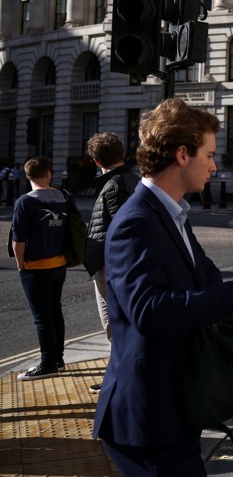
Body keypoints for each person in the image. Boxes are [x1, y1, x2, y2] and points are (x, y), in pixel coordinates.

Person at [92, 98, 233, 475]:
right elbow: (149, 311)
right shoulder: (137, 221)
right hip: (146, 417)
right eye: (209, 154)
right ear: (182, 154)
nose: (214, 164)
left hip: (175, 403)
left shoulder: (172, 213)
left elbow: (206, 279)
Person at [10, 157, 81, 381]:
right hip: (59, 263)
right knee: (54, 310)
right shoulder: (64, 196)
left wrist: (20, 264)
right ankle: (57, 359)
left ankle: (47, 363)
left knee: (42, 317)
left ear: (26, 176)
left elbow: (18, 239)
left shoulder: (25, 202)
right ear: (48, 174)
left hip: (35, 266)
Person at [84, 132, 140, 375]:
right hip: (111, 263)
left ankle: (121, 374)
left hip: (111, 264)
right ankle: (120, 370)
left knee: (113, 321)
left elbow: (124, 229)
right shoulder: (127, 180)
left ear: (96, 161)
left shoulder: (115, 185)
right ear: (123, 154)